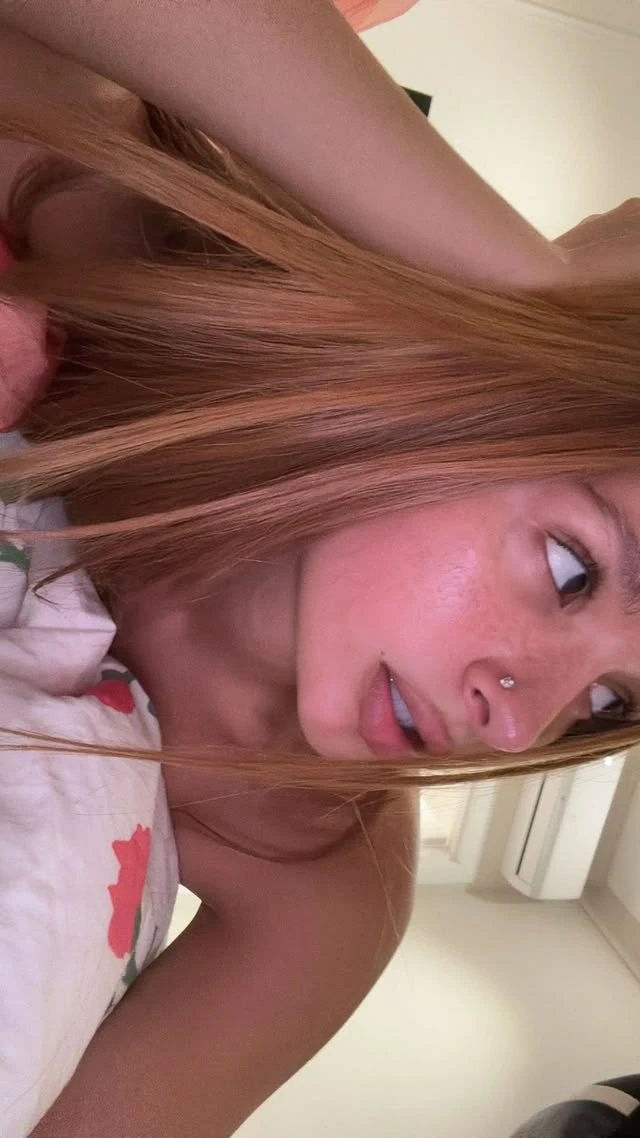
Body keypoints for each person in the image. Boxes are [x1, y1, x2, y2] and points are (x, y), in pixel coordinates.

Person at [0, 3, 638, 1136]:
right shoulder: (134, 241)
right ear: (478, 372)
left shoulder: (325, 873)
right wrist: (523, 297)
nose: (516, 723)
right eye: (569, 567)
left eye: (606, 701)